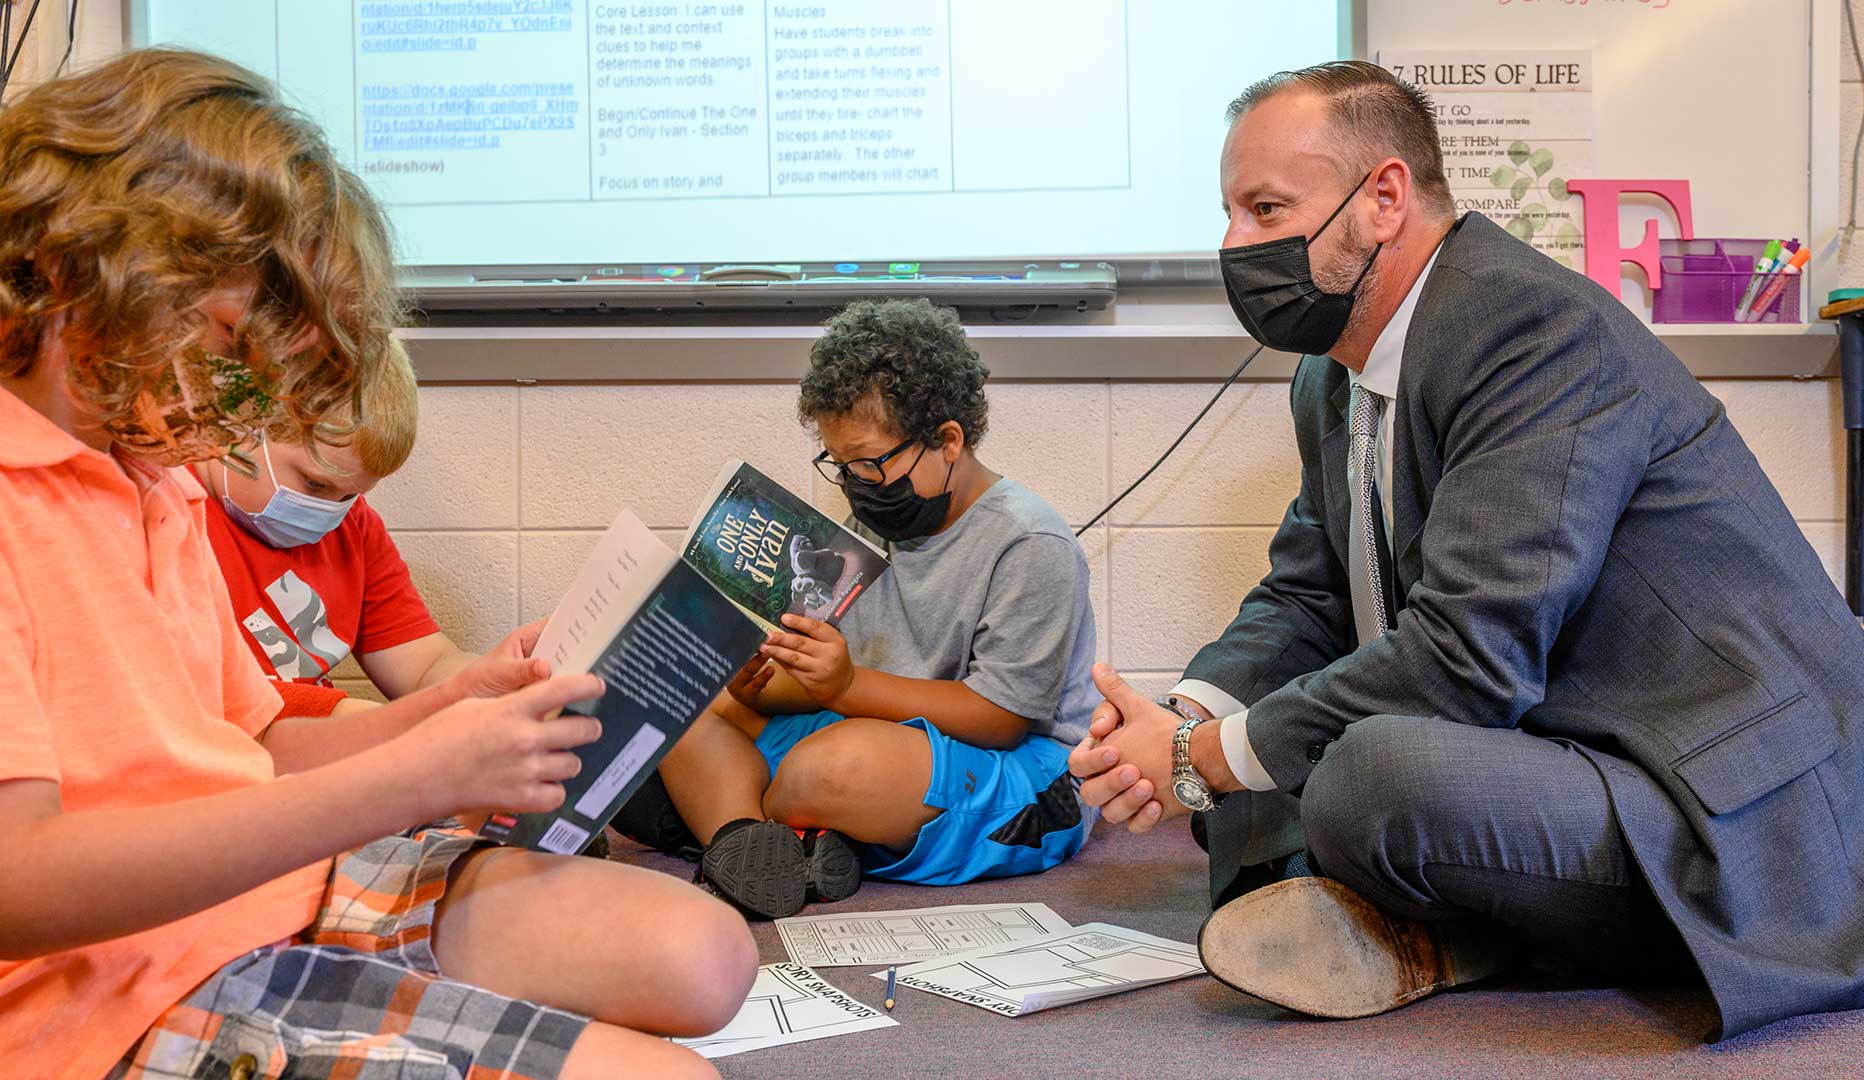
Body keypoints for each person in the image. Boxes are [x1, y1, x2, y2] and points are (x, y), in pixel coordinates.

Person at [1070, 60, 1864, 1042]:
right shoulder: (1332, 379)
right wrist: (1189, 718)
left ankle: (1463, 935)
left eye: (1266, 209)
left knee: (1361, 778)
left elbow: (1470, 658)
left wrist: (1203, 758)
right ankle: (1437, 917)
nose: (1235, 245)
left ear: (1384, 197)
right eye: (1229, 213)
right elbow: (1305, 596)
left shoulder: (1527, 326)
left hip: (1737, 801)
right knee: (1267, 779)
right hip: (1570, 743)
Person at [0, 49, 754, 1079]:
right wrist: (408, 782)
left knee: (707, 955)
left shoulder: (146, 471)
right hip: (99, 997)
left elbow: (253, 740)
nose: (233, 402)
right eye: (224, 341)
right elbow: (21, 885)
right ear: (108, 265)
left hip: (267, 890)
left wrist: (444, 717)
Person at [616, 298, 1101, 919]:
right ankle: (759, 848)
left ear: (947, 440)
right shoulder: (866, 530)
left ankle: (744, 825)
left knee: (832, 769)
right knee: (684, 701)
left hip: (1020, 769)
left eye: (870, 463)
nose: (857, 485)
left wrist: (844, 685)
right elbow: (833, 686)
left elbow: (1001, 719)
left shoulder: (1029, 543)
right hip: (880, 731)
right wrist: (762, 686)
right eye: (839, 465)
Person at [196, 335, 541, 721]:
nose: (326, 511)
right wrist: (365, 724)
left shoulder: (351, 525)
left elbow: (425, 665)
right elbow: (207, 702)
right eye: (315, 484)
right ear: (233, 422)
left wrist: (494, 678)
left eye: (351, 494)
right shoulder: (170, 523)